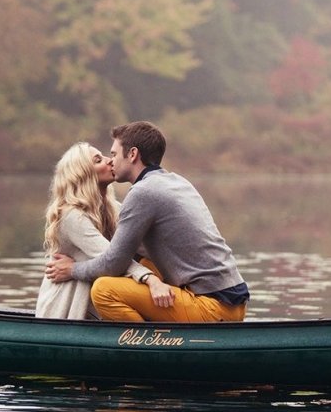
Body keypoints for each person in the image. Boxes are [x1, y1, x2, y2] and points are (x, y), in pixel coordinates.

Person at [45, 121, 250, 323]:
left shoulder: (143, 193)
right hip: (233, 304)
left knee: (103, 290)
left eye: (114, 154)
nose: (111, 161)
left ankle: (150, 342)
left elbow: (113, 263)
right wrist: (150, 280)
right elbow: (129, 254)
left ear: (132, 154)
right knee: (145, 262)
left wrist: (72, 270)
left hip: (211, 307)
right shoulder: (176, 182)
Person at [35, 141, 173, 319]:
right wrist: (150, 280)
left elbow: (145, 246)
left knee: (152, 262)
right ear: (83, 174)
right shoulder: (72, 216)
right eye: (98, 160)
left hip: (99, 303)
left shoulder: (112, 208)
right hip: (66, 311)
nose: (109, 161)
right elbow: (111, 257)